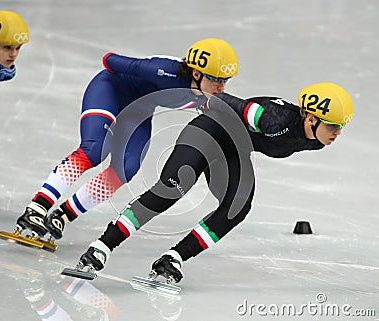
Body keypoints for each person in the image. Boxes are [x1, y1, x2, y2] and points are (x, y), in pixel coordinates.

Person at [73, 82, 354, 284]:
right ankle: (101, 247)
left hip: (233, 151)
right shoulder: (273, 117)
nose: (337, 133)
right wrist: (205, 98)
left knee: (238, 206)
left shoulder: (316, 141)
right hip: (207, 133)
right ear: (310, 117)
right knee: (170, 190)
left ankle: (173, 258)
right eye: (332, 126)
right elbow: (230, 102)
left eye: (341, 127)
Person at [14, 38, 239, 240]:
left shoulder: (209, 95)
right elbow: (109, 60)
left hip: (138, 111)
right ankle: (38, 206)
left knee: (125, 169)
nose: (221, 87)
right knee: (94, 150)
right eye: (216, 79)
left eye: (225, 80)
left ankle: (63, 215)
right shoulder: (164, 70)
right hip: (111, 89)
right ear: (196, 73)